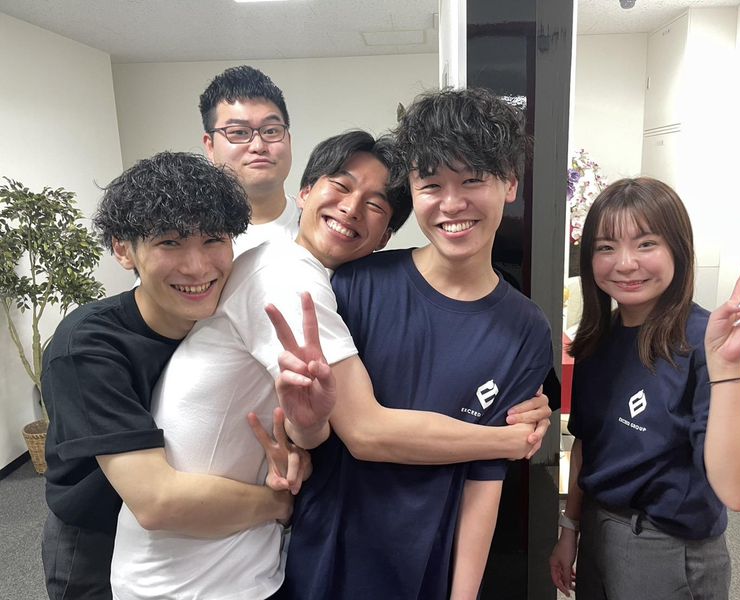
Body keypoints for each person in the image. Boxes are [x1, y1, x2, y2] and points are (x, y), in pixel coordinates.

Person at [110, 129, 551, 600]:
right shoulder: (289, 276)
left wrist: (302, 437)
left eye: (376, 205)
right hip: (185, 579)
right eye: (340, 186)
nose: (351, 208)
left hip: (241, 565)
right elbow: (364, 431)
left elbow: (310, 426)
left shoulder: (311, 276)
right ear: (304, 192)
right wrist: (505, 440)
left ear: (385, 235)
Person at [279, 88, 554, 600]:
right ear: (412, 188)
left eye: (473, 180)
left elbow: (483, 484)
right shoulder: (356, 285)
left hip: (427, 562)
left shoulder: (526, 330)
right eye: (431, 184)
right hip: (326, 554)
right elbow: (349, 431)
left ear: (510, 184)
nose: (452, 204)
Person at [40, 152, 294, 600]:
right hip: (97, 534)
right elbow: (157, 501)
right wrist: (281, 504)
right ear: (123, 250)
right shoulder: (87, 346)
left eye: (213, 239)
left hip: (199, 539)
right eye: (170, 243)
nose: (197, 267)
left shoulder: (224, 323)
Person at [549, 177, 740, 599]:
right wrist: (569, 527)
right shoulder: (597, 339)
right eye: (606, 247)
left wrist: (727, 368)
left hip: (666, 547)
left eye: (646, 243)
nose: (625, 263)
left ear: (678, 249)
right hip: (596, 529)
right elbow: (587, 444)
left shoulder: (709, 345)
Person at [200, 65, 298, 256]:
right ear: (210, 146)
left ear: (288, 139)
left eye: (271, 130)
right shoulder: (193, 238)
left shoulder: (322, 229)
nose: (258, 146)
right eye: (239, 132)